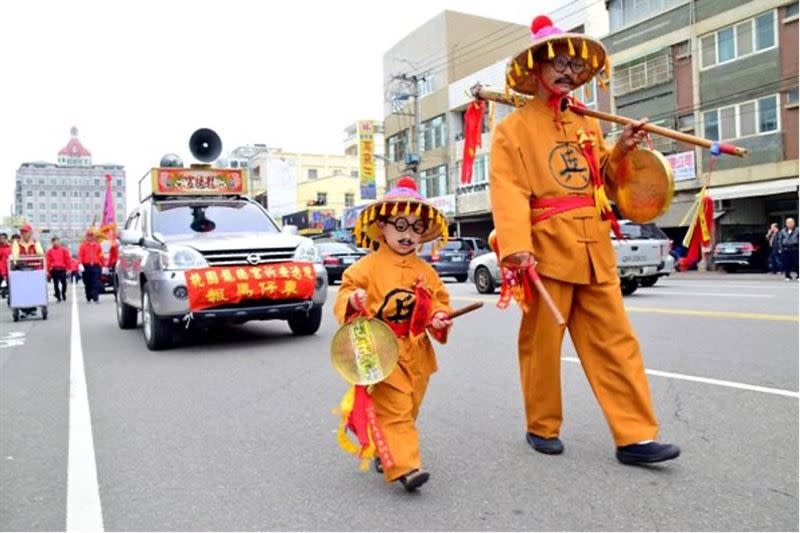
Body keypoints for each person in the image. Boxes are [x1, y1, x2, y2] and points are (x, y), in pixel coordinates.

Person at [489, 15, 679, 465]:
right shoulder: (512, 130)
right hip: (544, 250)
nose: (569, 72)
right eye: (559, 63)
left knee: (617, 342)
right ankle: (542, 424)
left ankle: (635, 436)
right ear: (536, 68)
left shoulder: (588, 125)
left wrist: (623, 150)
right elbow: (509, 188)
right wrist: (517, 245)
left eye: (576, 65)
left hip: (595, 247)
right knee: (542, 345)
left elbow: (605, 185)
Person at [334, 176, 453, 492]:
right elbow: (347, 290)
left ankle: (386, 442)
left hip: (417, 349)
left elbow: (439, 299)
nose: (407, 234)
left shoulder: (426, 271)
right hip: (382, 347)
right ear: (383, 227)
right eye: (400, 225)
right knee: (396, 408)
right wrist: (353, 300)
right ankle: (406, 467)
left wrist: (439, 316)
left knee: (410, 405)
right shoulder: (367, 266)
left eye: (415, 227)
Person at [78, 230, 105, 303]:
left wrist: (103, 265)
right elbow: (80, 255)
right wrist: (80, 264)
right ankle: (88, 296)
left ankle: (95, 296)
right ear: (86, 237)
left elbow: (101, 256)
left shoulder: (98, 245)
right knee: (87, 282)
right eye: (88, 236)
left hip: (96, 266)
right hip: (86, 266)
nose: (90, 237)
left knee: (96, 281)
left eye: (91, 236)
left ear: (94, 237)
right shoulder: (83, 246)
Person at [46, 236, 72, 302]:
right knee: (55, 284)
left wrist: (69, 268)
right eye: (54, 241)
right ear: (52, 242)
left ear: (59, 241)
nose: (56, 242)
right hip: (54, 269)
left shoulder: (64, 250)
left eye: (57, 241)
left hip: (62, 269)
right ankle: (58, 296)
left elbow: (67, 259)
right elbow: (48, 261)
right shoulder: (49, 251)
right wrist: (48, 270)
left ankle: (63, 293)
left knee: (64, 283)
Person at [0, 233, 10, 298]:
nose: (1, 240)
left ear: (6, 239)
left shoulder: (10, 248)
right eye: (0, 238)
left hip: (8, 270)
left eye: (3, 238)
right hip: (1, 270)